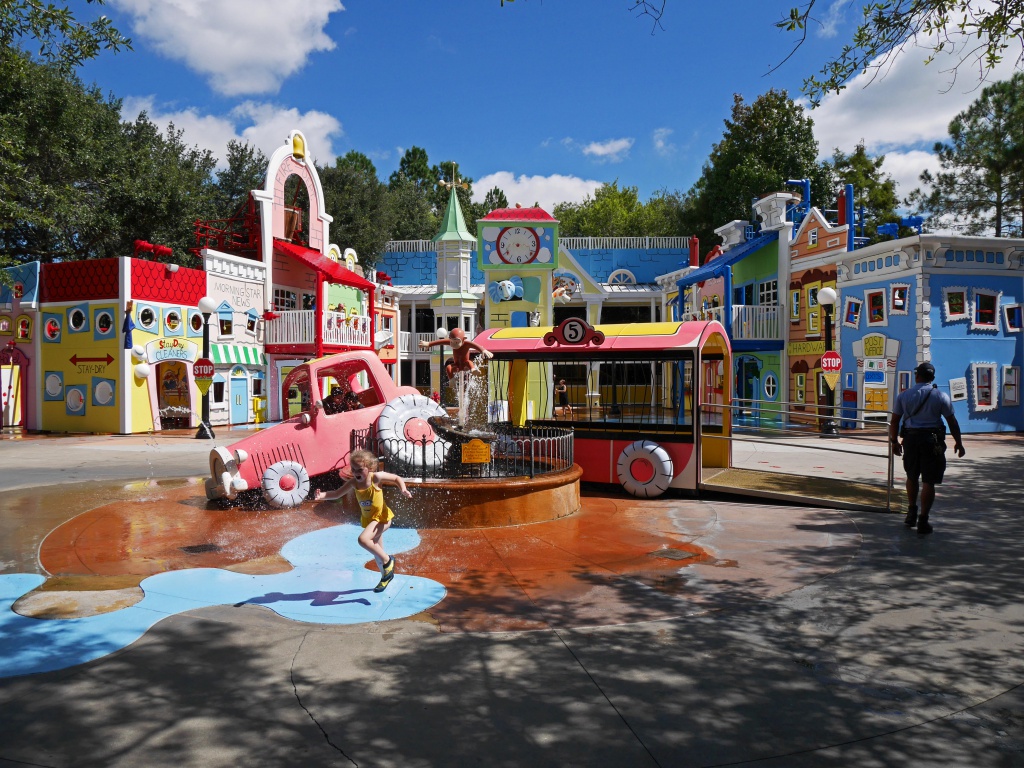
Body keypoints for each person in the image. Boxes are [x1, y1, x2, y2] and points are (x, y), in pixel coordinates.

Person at [313, 450, 412, 592]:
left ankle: (388, 561)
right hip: (370, 520)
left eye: (360, 470)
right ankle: (385, 577)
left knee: (363, 540)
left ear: (370, 468)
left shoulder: (376, 478)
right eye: (353, 469)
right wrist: (321, 495)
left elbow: (396, 478)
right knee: (377, 553)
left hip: (381, 518)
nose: (356, 473)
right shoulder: (354, 483)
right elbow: (336, 494)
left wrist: (403, 489)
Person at [889, 362, 966, 534]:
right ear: (932, 377)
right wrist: (959, 443)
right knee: (929, 481)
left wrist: (894, 441)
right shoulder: (941, 396)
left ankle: (911, 512)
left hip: (910, 439)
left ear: (917, 375)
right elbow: (952, 422)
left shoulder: (904, 396)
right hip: (933, 441)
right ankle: (923, 519)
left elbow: (894, 421)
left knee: (911, 476)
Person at [418, 328, 493, 379]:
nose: (453, 344)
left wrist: (483, 350)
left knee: (469, 362)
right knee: (448, 367)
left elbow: (476, 346)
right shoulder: (451, 342)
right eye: (452, 341)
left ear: (464, 339)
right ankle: (451, 380)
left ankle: (473, 369)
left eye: (457, 342)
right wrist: (428, 344)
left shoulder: (466, 343)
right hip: (456, 364)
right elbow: (440, 342)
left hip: (465, 365)